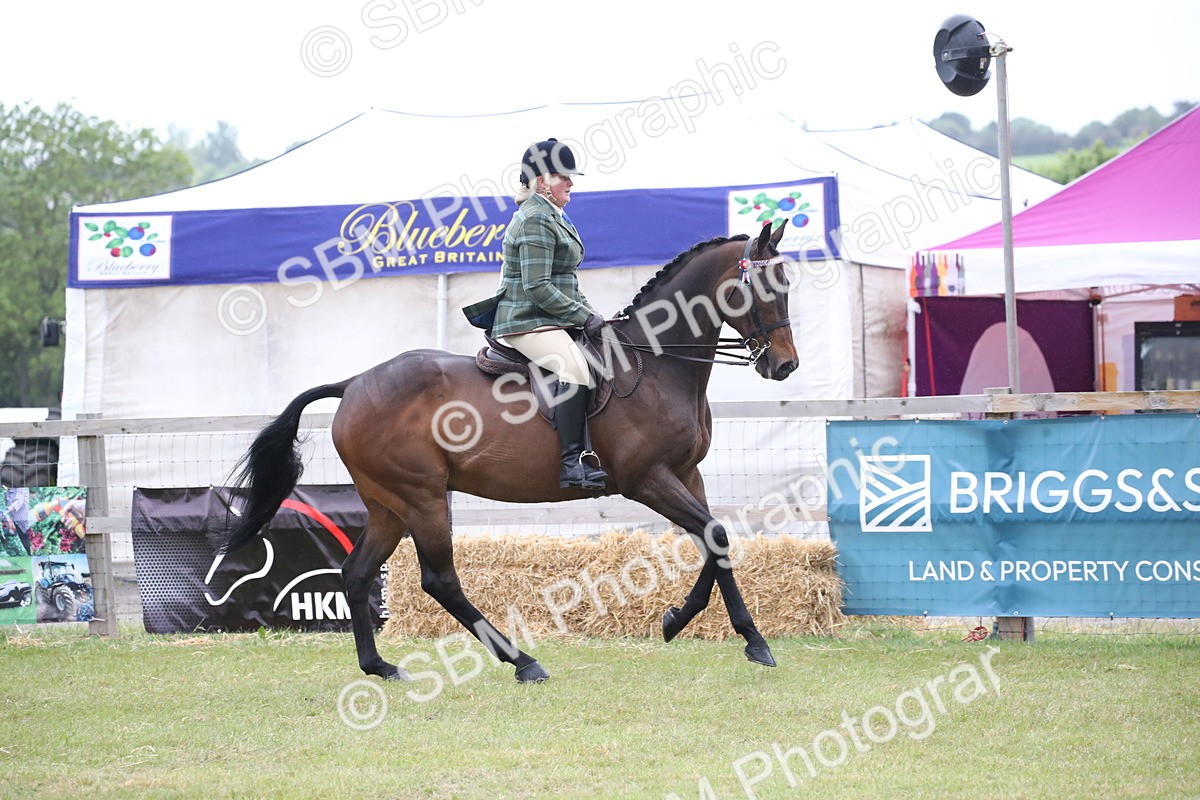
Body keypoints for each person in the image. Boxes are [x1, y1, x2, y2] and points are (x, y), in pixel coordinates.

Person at [462, 138, 608, 491]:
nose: (571, 183)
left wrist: (592, 314)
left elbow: (565, 280)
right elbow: (538, 287)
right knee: (574, 367)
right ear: (542, 181)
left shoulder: (554, 214)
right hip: (525, 319)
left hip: (548, 317)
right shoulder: (535, 219)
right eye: (564, 177)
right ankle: (571, 463)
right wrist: (582, 317)